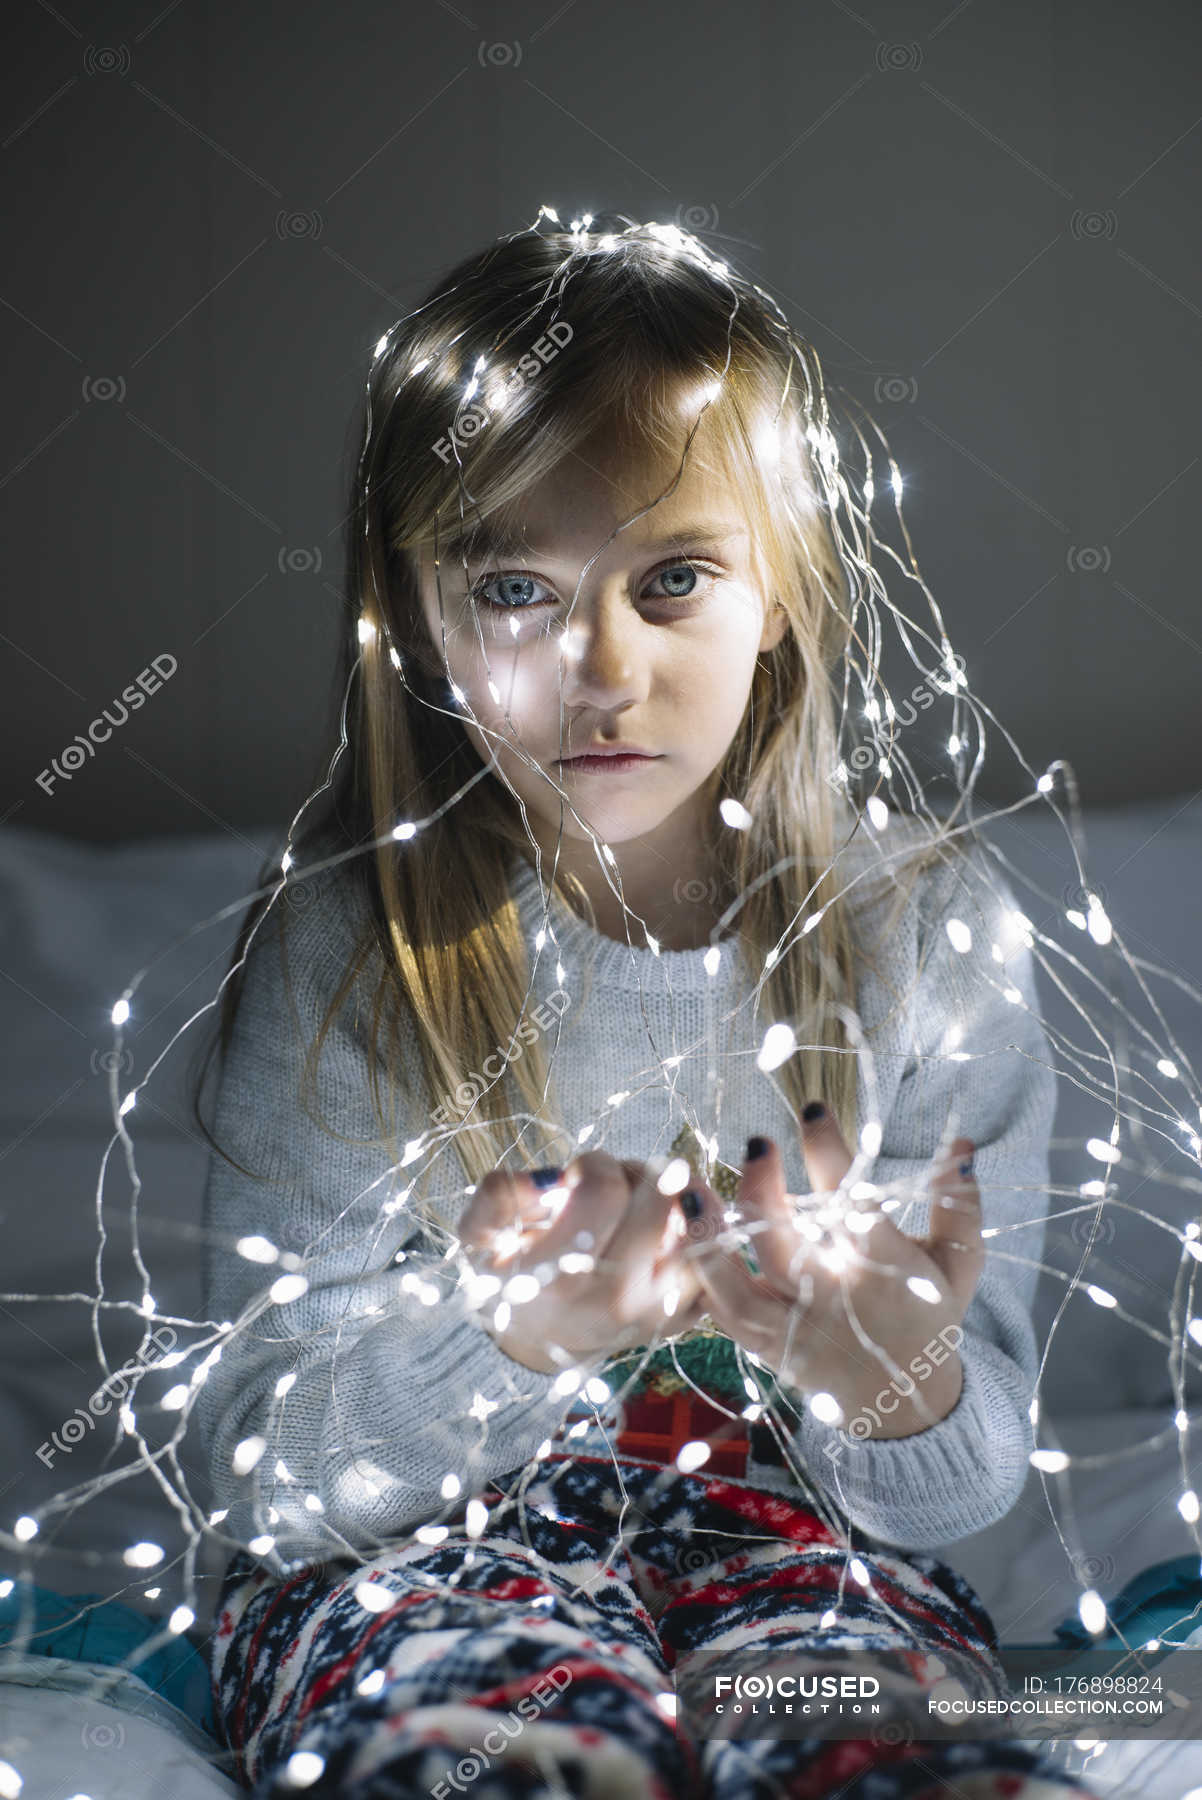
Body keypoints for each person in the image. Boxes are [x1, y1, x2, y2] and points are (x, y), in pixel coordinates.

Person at [193, 213, 1096, 1798]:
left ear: (786, 589)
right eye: (516, 589)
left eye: (672, 578)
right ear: (413, 617)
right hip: (421, 1556)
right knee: (475, 1733)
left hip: (783, 1531)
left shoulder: (924, 930)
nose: (598, 666)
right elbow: (254, 1472)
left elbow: (956, 1499)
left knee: (871, 1718)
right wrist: (507, 1343)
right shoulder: (354, 942)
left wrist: (887, 1377)